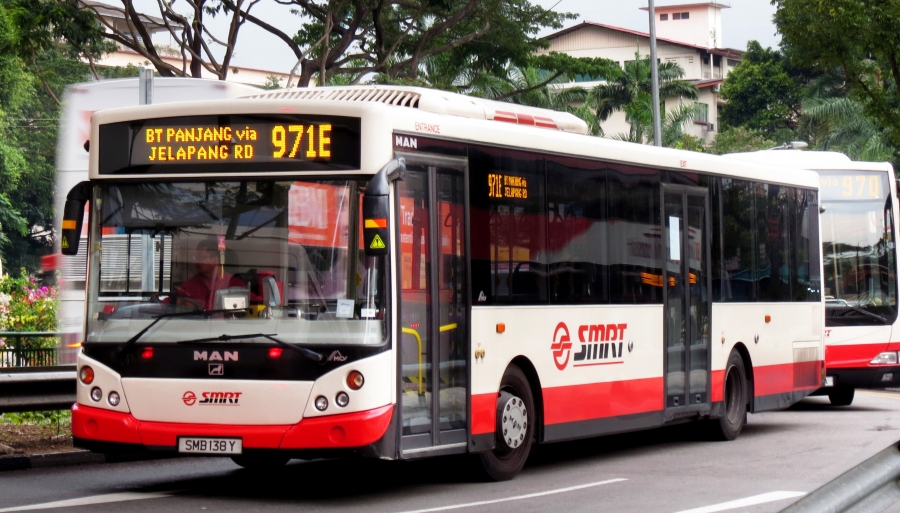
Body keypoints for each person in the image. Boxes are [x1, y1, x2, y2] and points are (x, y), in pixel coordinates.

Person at [175, 238, 248, 310]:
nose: (197, 261)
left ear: (215, 260)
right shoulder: (188, 286)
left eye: (201, 258)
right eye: (196, 257)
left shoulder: (234, 284)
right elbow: (170, 305)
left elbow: (252, 305)